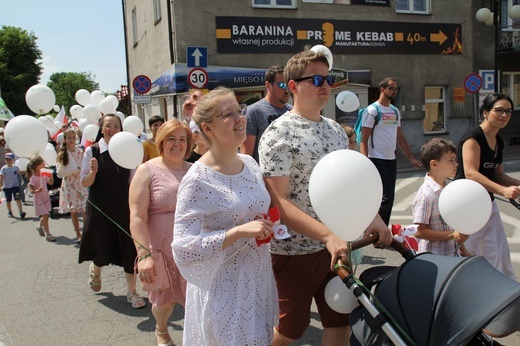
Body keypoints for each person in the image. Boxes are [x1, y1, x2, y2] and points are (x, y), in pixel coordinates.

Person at [258, 49, 393, 346]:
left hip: (336, 245)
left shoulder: (334, 130)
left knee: (340, 320)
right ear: (292, 86)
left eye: (328, 78)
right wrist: (327, 235)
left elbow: (349, 185)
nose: (325, 85)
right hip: (295, 251)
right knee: (290, 329)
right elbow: (279, 202)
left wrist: (375, 218)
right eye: (316, 79)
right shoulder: (276, 133)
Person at [172, 87, 278, 345]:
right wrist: (239, 231)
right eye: (228, 114)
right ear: (207, 129)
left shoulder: (250, 164)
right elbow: (183, 245)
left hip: (257, 278)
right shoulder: (197, 179)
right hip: (224, 288)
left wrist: (265, 224)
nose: (240, 117)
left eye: (239, 110)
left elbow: (253, 211)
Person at [129, 119, 193, 346]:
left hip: (192, 247)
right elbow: (137, 216)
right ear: (161, 142)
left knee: (195, 298)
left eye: (182, 139)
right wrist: (144, 255)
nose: (177, 145)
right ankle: (161, 329)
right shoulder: (146, 170)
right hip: (161, 249)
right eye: (171, 139)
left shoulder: (195, 170)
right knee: (165, 300)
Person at [78, 114, 145, 309]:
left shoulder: (128, 148)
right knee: (102, 245)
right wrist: (93, 172)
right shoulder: (93, 151)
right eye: (108, 126)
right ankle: (96, 269)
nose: (112, 129)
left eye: (116, 125)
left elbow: (133, 181)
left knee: (128, 248)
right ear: (101, 128)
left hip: (124, 206)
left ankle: (132, 292)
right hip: (100, 207)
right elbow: (85, 183)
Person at [455, 93, 520, 280]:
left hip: (486, 202)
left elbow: (497, 174)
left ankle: (504, 291)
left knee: (499, 250)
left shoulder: (499, 141)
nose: (504, 115)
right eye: (498, 110)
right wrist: (503, 191)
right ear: (485, 112)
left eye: (508, 111)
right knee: (475, 252)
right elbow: (471, 173)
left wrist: (517, 185)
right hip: (467, 204)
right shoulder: (473, 137)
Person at [359, 77, 422, 225]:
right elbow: (364, 138)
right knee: (384, 197)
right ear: (383, 89)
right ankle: (377, 229)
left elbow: (400, 137)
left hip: (390, 159)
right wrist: (365, 160)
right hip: (376, 158)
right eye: (391, 88)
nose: (395, 92)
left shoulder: (394, 111)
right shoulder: (372, 110)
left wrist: (411, 158)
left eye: (396, 89)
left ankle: (379, 229)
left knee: (389, 197)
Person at [412, 138, 469, 256]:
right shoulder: (426, 194)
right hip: (434, 258)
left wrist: (463, 250)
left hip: (452, 254)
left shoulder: (450, 187)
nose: (456, 164)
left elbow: (453, 226)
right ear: (434, 164)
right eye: (451, 160)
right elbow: (418, 231)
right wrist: (452, 235)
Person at [241, 64, 292, 162]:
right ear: (268, 85)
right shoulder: (253, 112)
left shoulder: (293, 112)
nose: (286, 90)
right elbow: (246, 157)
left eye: (288, 85)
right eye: (282, 85)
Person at [56, 128, 88, 244]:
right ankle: (78, 234)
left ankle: (87, 232)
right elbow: (60, 172)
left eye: (73, 137)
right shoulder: (62, 153)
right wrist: (73, 170)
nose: (71, 140)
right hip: (69, 184)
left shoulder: (80, 152)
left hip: (80, 183)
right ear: (64, 139)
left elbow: (84, 166)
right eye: (69, 137)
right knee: (74, 211)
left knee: (85, 209)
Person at [27, 156, 55, 241]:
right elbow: (31, 190)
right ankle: (48, 234)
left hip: (45, 197)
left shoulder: (43, 175)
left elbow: (51, 183)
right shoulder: (33, 178)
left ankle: (39, 226)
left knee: (45, 215)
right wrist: (37, 190)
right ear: (38, 166)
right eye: (42, 163)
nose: (44, 164)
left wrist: (51, 175)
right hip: (39, 199)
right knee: (46, 215)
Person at [0, 152, 26, 219]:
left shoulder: (16, 167)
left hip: (15, 186)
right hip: (7, 187)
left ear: (13, 160)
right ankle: (9, 211)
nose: (9, 161)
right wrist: (1, 185)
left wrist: (21, 180)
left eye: (10, 159)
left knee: (17, 199)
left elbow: (19, 174)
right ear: (5, 160)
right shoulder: (4, 169)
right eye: (7, 159)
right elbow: (1, 177)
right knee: (8, 200)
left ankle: (21, 212)